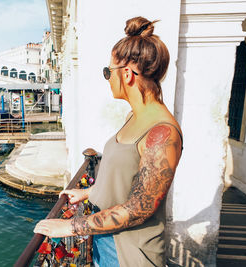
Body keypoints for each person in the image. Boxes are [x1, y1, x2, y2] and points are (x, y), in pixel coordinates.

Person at [34, 16, 183, 267]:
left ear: (127, 75)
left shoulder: (162, 133)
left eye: (108, 72)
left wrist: (70, 227)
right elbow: (125, 180)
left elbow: (139, 208)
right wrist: (87, 192)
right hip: (106, 240)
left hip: (130, 254)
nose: (108, 78)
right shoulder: (133, 117)